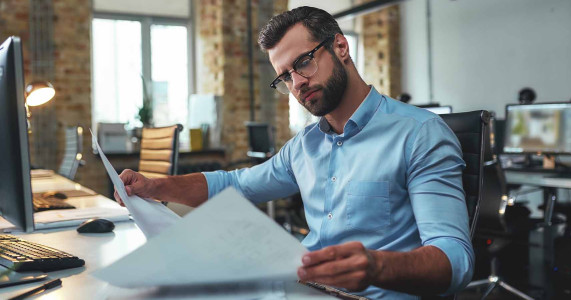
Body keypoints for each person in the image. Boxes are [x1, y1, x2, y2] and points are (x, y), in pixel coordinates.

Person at [115, 6, 474, 299]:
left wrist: (378, 266)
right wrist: (155, 188)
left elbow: (455, 261)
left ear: (341, 48)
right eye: (285, 77)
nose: (297, 84)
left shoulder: (419, 134)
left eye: (303, 62)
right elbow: (235, 183)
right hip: (304, 290)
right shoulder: (305, 146)